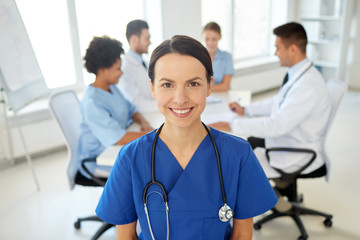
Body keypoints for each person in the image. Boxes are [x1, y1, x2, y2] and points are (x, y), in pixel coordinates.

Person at [96, 35, 277, 240]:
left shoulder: (238, 154)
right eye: (167, 85)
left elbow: (242, 234)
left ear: (209, 86)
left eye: (193, 84)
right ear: (152, 88)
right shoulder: (130, 158)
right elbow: (125, 236)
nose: (180, 99)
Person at [210, 22, 332, 177]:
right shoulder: (299, 74)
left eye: (278, 48)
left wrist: (230, 124)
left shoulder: (308, 85)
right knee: (246, 142)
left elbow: (276, 125)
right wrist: (246, 110)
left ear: (293, 49)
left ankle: (268, 199)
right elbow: (276, 102)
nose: (275, 53)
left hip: (294, 150)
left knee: (235, 163)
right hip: (287, 137)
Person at [78, 36, 153, 180]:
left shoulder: (111, 87)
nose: (122, 72)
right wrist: (156, 136)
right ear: (102, 70)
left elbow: (132, 109)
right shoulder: (92, 102)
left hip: (117, 149)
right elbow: (119, 138)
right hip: (100, 159)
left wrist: (144, 123)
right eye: (118, 69)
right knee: (151, 164)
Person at [117, 19, 158, 113]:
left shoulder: (145, 63)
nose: (150, 42)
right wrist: (164, 104)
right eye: (147, 39)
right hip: (145, 118)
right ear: (134, 39)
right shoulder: (125, 69)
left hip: (154, 113)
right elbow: (136, 104)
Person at [203, 21, 235, 92]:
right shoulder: (198, 57)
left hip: (222, 96)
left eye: (214, 39)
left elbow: (225, 86)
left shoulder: (227, 57)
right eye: (207, 39)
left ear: (219, 37)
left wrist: (204, 89)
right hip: (204, 97)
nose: (210, 43)